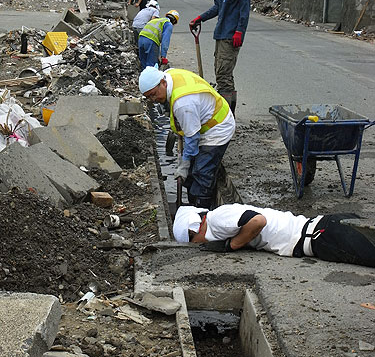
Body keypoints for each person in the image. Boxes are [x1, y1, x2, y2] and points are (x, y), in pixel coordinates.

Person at [138, 67, 235, 208]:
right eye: (149, 98)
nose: (154, 100)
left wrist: (184, 164)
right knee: (191, 174)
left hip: (217, 129)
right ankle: (192, 201)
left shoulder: (183, 104)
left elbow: (192, 138)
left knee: (202, 172)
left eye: (154, 95)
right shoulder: (169, 74)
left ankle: (202, 211)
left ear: (162, 83)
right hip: (203, 122)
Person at [173, 204, 375, 267]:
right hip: (323, 228)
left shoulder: (217, 218)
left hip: (322, 236)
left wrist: (232, 246)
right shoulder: (218, 221)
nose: (199, 246)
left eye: (194, 243)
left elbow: (257, 221)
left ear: (194, 231)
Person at [190, 0, 252, 115]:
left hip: (231, 35)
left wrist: (240, 30)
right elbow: (218, 6)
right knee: (222, 75)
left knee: (223, 77)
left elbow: (244, 8)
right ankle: (227, 118)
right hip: (220, 33)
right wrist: (200, 18)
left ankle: (226, 120)